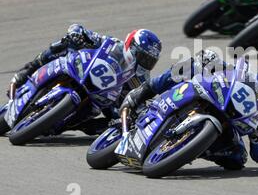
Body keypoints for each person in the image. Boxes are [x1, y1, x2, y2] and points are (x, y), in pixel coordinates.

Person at [120, 50, 258, 170]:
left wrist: (257, 138)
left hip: (231, 128)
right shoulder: (247, 75)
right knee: (192, 65)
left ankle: (191, 148)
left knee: (238, 160)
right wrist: (212, 61)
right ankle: (144, 91)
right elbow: (228, 70)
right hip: (217, 100)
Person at [10, 24, 162, 134]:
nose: (145, 63)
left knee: (111, 122)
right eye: (143, 57)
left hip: (104, 98)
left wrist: (137, 108)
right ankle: (29, 69)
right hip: (82, 72)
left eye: (149, 61)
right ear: (131, 46)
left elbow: (141, 97)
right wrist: (77, 34)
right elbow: (79, 29)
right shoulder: (112, 44)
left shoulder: (141, 78)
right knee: (64, 44)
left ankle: (71, 124)